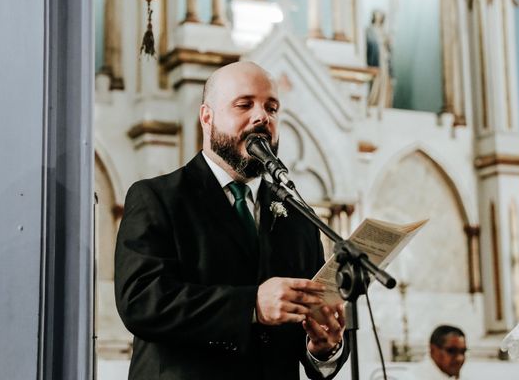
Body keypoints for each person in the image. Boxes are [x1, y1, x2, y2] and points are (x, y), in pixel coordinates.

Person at [115, 61, 349, 380]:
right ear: (207, 117)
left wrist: (322, 347)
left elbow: (305, 344)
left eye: (272, 108)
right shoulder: (158, 198)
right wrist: (251, 305)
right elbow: (142, 302)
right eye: (244, 104)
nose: (262, 117)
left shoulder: (298, 218)